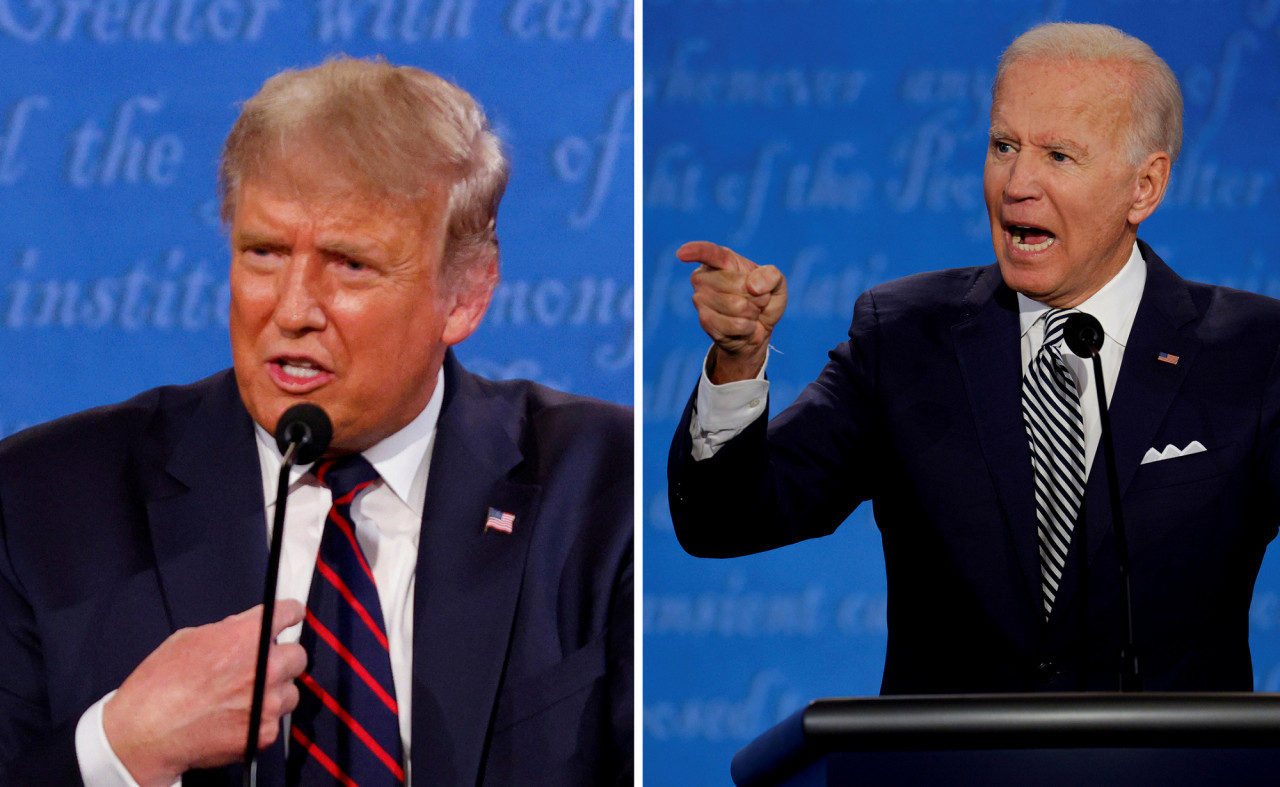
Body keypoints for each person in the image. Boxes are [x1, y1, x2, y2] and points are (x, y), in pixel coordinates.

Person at [0, 58, 632, 786]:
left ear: (464, 293)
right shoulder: (40, 502)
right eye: (263, 253)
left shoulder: (603, 486)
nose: (293, 308)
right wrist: (119, 750)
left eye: (350, 264)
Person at [668, 22, 1280, 694]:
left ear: (1145, 186)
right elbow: (726, 521)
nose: (1017, 182)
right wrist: (737, 361)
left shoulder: (1252, 353)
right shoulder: (902, 338)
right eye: (1004, 146)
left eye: (1059, 157)